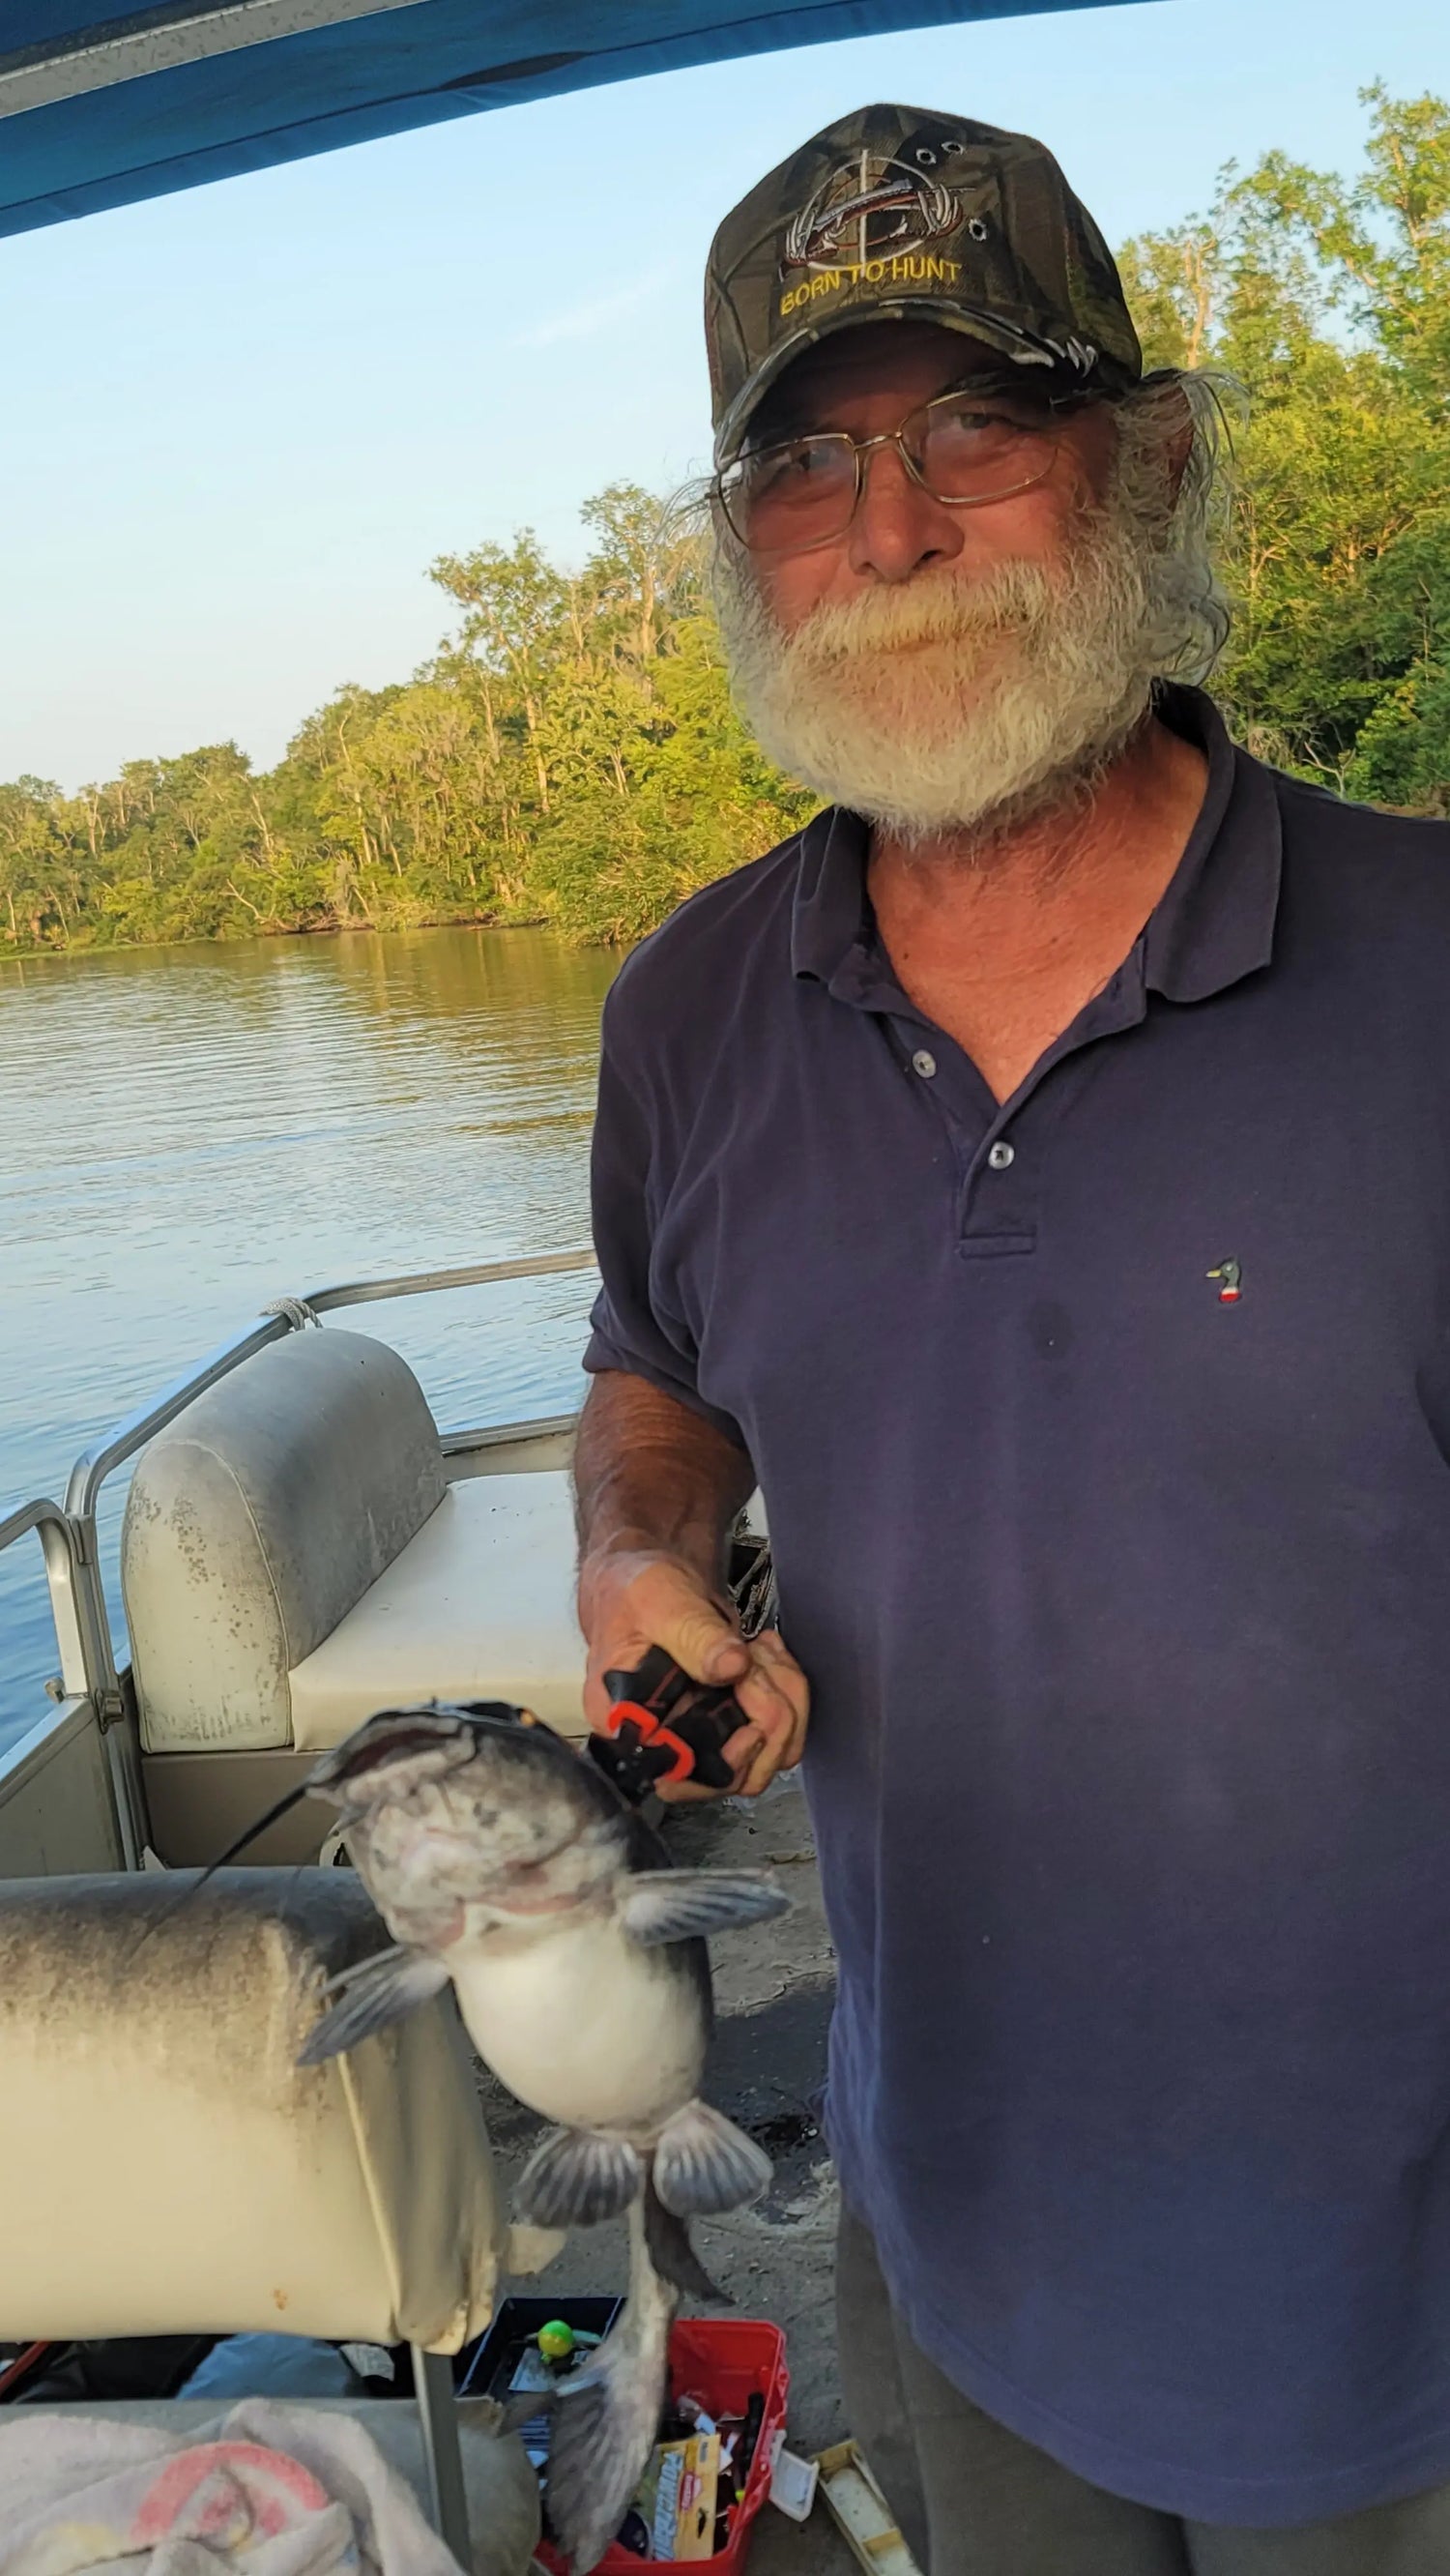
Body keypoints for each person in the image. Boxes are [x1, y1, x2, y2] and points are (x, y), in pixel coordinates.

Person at [572, 102, 1450, 2574]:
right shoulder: (688, 1013)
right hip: (955, 2210)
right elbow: (660, 1360)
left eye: (980, 420)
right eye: (811, 459)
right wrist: (641, 1556)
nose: (895, 525)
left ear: (1142, 457)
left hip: (1402, 2266)